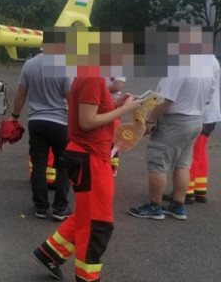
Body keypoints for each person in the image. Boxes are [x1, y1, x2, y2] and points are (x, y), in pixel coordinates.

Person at [33, 77, 142, 281]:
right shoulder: (93, 77)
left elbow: (90, 112)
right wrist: (125, 110)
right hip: (91, 157)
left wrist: (116, 103)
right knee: (97, 223)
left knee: (86, 214)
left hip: (90, 155)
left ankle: (50, 253)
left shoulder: (89, 75)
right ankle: (87, 277)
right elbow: (87, 121)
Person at [128, 73, 214, 220]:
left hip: (174, 121)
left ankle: (154, 206)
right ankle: (178, 205)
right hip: (195, 119)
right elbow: (208, 99)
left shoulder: (177, 68)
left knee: (157, 162)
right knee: (182, 164)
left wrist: (150, 120)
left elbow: (166, 100)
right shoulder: (204, 69)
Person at [10, 52, 73, 221]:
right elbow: (71, 97)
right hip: (61, 122)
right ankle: (60, 208)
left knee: (39, 164)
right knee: (64, 166)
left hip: (36, 121)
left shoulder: (29, 64)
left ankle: (40, 207)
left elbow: (21, 92)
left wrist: (15, 116)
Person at [186, 55, 221, 203]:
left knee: (191, 153)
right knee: (200, 153)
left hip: (201, 113)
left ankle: (187, 191)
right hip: (210, 114)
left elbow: (202, 89)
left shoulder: (199, 60)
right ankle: (200, 189)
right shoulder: (211, 58)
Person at [105, 77, 126, 176]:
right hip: (98, 101)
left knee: (113, 139)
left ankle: (112, 168)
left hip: (112, 104)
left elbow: (117, 86)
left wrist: (95, 88)